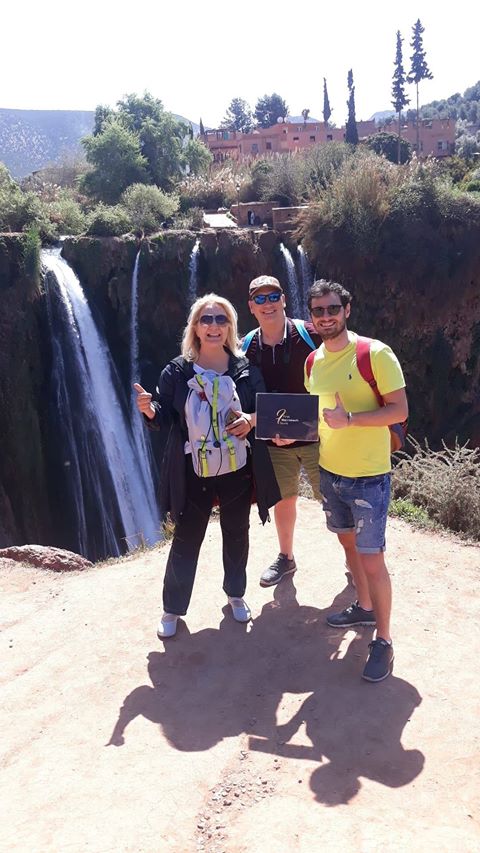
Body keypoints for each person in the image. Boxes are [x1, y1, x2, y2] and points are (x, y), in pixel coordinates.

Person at [135, 293, 280, 639]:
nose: (214, 326)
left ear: (230, 327)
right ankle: (172, 608)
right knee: (186, 537)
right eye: (206, 319)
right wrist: (149, 410)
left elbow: (265, 410)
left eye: (221, 319)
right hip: (193, 469)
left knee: (237, 532)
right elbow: (164, 415)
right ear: (196, 328)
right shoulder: (177, 371)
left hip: (237, 468)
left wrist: (250, 420)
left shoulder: (245, 370)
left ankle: (235, 593)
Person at [304, 279, 408, 682]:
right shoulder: (312, 363)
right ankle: (364, 607)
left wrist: (351, 420)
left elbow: (398, 410)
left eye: (333, 308)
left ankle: (383, 640)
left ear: (346, 310)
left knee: (372, 558)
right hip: (330, 472)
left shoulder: (374, 354)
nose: (326, 317)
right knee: (348, 545)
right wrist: (287, 433)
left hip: (368, 477)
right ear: (311, 318)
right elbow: (318, 418)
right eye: (318, 311)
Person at [242, 275, 322, 588]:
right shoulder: (246, 347)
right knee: (284, 500)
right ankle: (286, 557)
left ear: (284, 300)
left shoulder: (311, 335)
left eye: (273, 296)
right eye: (260, 299)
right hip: (274, 441)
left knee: (333, 499)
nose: (268, 304)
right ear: (251, 306)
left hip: (318, 438)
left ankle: (353, 560)